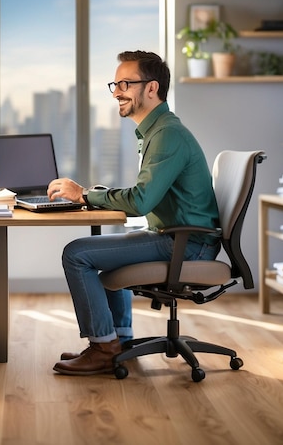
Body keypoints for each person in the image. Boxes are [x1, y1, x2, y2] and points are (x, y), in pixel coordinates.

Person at [47, 50, 220, 376]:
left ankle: (104, 347)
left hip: (186, 243)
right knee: (99, 253)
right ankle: (121, 340)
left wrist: (84, 193)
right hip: (178, 236)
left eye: (125, 83)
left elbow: (140, 202)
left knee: (77, 254)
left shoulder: (167, 135)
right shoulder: (158, 131)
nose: (116, 92)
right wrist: (93, 196)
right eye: (115, 83)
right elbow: (146, 196)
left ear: (151, 88)